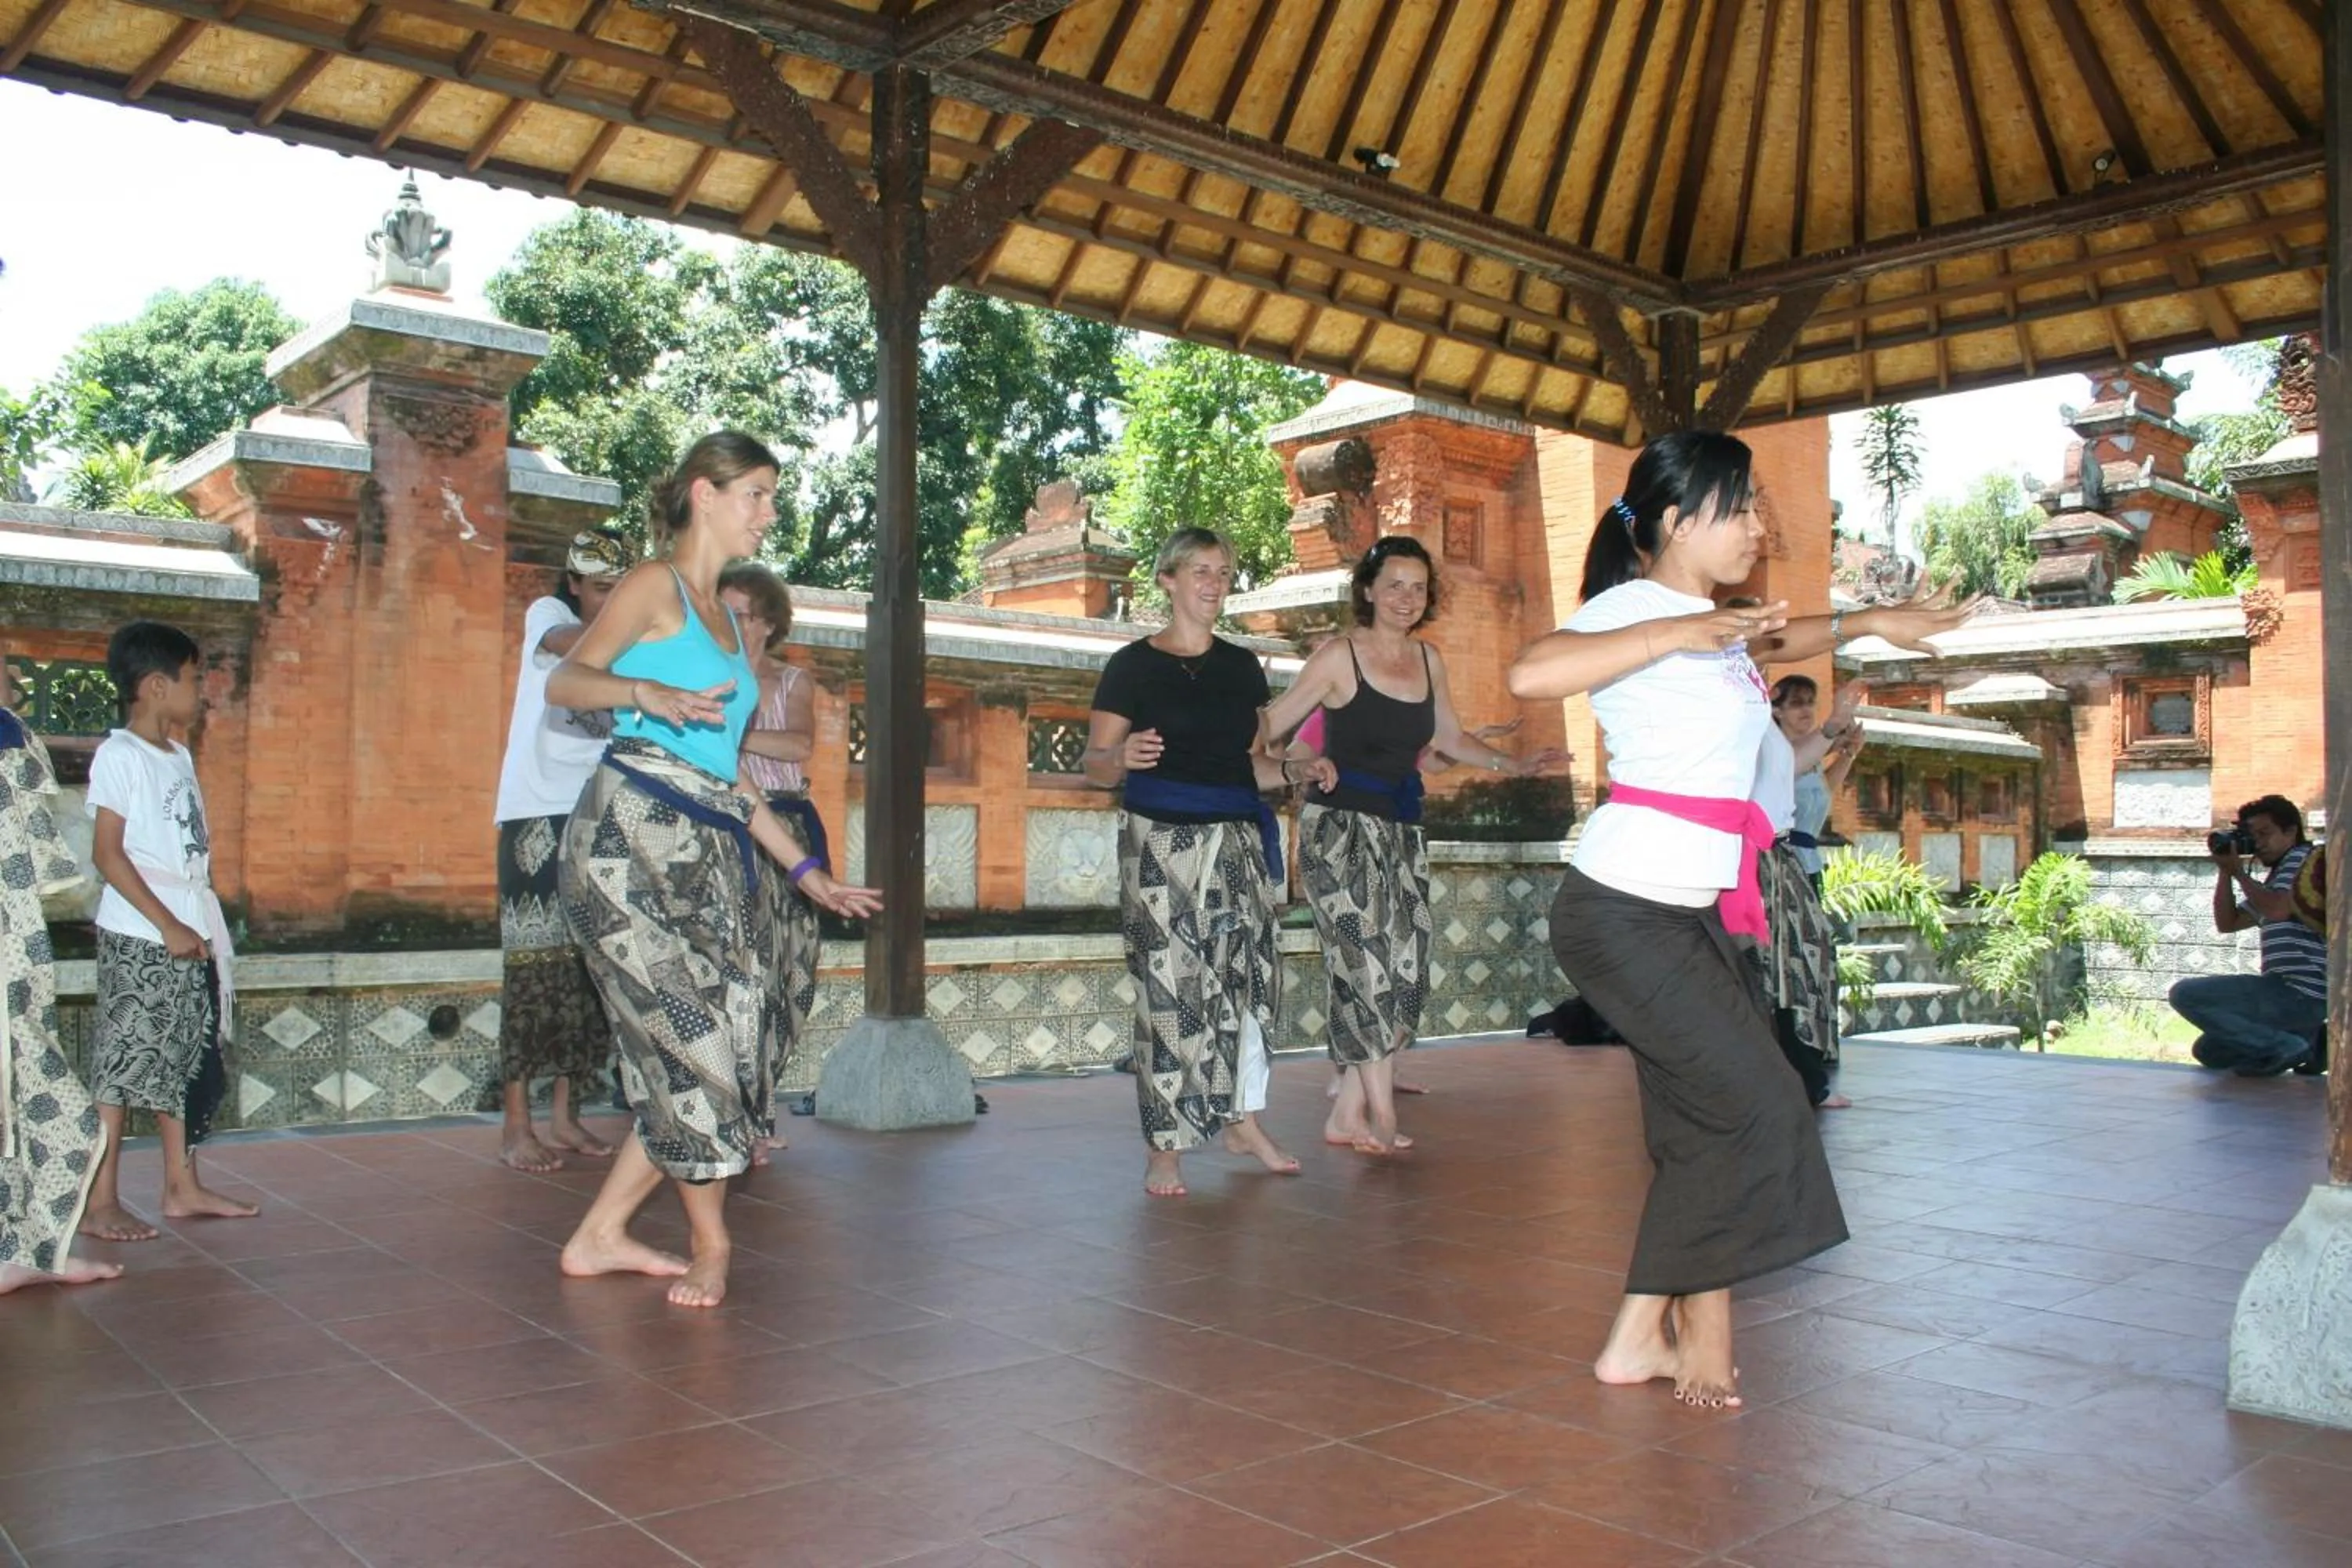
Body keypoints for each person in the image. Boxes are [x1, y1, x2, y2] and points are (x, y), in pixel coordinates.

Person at [1506, 430, 1970, 1408]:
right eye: (1741, 508)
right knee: (1761, 1099)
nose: (1761, 525)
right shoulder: (1638, 609)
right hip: (1623, 909)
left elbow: (1782, 635)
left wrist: (1878, 617)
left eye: (1760, 506)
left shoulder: (1708, 621)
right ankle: (1696, 1317)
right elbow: (1531, 673)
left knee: (1700, 1117)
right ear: (1677, 520)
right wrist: (1672, 634)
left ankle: (1641, 1333)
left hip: (1691, 910)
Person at [549, 433, 880, 1308]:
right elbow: (567, 682)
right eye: (758, 494)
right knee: (692, 1042)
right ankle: (713, 1243)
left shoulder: (731, 624)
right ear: (707, 492)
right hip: (623, 846)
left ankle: (599, 1234)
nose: (770, 512)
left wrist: (810, 873)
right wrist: (641, 694)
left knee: (717, 1044)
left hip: (705, 847)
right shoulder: (651, 585)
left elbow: (732, 772)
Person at [1261, 535, 1560, 1155]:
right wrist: (1281, 764)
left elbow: (1448, 739)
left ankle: (1345, 1115)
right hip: (1339, 831)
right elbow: (1273, 721)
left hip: (1400, 830)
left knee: (1407, 968)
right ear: (1368, 589)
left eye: (1418, 587)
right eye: (1394, 584)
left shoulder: (1429, 660)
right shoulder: (1339, 655)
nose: (1406, 597)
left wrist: (1516, 764)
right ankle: (1381, 1112)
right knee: (1366, 963)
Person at [1086, 527, 1331, 1198]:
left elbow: (1250, 764)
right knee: (1169, 991)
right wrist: (1120, 758)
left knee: (1245, 987)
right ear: (1168, 579)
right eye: (1200, 570)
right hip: (1161, 843)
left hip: (1236, 843)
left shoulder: (1241, 665)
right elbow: (1095, 762)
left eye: (1223, 571)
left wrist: (1295, 767)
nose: (1214, 583)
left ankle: (1241, 1120)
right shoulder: (1132, 666)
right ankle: (1165, 1146)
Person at [79, 621, 256, 1242]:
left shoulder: (177, 755)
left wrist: (193, 922)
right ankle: (100, 1199)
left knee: (182, 1055)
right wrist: (168, 923)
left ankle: (181, 1186)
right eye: (191, 677)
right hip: (140, 933)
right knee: (123, 1066)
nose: (201, 690)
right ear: (156, 686)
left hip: (186, 927)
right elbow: (108, 854)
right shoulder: (119, 756)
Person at [491, 528, 632, 1172]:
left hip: (598, 815)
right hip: (535, 815)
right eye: (601, 589)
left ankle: (568, 1116)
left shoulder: (628, 653)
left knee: (589, 968)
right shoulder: (550, 618)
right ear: (574, 584)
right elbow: (567, 645)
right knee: (532, 967)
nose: (608, 603)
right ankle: (516, 1126)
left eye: (620, 593)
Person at [0, 655, 121, 1296]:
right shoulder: (10, 742)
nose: (17, 686)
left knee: (42, 1114)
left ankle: (29, 1251)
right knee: (55, 1115)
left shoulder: (11, 739)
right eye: (5, 671)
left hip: (15, 968)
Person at [717, 561, 823, 1145]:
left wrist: (726, 735)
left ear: (766, 623)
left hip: (787, 823)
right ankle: (744, 1114)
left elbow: (799, 744)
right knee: (742, 973)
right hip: (726, 828)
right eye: (722, 614)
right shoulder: (703, 679)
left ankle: (761, 1099)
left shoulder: (790, 681)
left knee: (793, 973)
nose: (729, 626)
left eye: (739, 615)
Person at [1750, 672, 1865, 1109]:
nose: (1804, 712)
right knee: (1790, 966)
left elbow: (1819, 800)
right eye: (1795, 703)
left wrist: (1845, 755)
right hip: (1776, 864)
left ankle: (1810, 1065)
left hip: (1803, 862)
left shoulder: (1803, 753)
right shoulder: (1771, 748)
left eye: (1809, 704)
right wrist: (1832, 729)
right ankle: (1799, 1070)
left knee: (1808, 961)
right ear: (1774, 708)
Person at [2169, 796, 2326, 1076]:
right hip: (2287, 995)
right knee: (2210, 1050)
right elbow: (2228, 922)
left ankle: (2286, 1045)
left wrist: (2240, 873)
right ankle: (2314, 1043)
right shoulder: (2275, 877)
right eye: (2251, 836)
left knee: (2185, 994)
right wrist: (2225, 872)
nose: (2258, 843)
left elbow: (2278, 909)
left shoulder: (2301, 860)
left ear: (2290, 831)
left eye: (2265, 834)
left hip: (2300, 991)